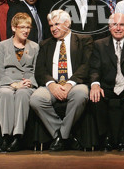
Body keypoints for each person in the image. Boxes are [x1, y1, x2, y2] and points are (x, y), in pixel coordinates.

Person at [30, 9, 93, 151]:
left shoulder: (84, 40)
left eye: (57, 24)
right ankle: (65, 135)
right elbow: (39, 70)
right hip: (52, 85)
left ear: (67, 23)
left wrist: (70, 84)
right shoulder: (45, 44)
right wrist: (51, 84)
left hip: (75, 84)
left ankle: (61, 136)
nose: (53, 28)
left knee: (81, 95)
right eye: (51, 25)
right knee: (36, 99)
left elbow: (86, 65)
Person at [89, 13, 124, 151]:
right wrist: (95, 84)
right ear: (109, 27)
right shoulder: (99, 45)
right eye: (115, 24)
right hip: (107, 86)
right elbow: (94, 69)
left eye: (121, 25)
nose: (118, 28)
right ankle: (106, 138)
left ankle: (123, 138)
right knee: (95, 97)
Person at [0, 13, 39, 152]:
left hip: (26, 83)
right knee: (5, 94)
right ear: (14, 28)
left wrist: (29, 83)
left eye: (28, 27)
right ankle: (6, 136)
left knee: (22, 94)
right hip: (6, 82)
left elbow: (37, 72)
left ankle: (17, 136)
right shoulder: (1, 46)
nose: (26, 30)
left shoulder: (35, 47)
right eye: (22, 27)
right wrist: (12, 84)